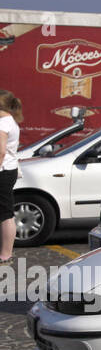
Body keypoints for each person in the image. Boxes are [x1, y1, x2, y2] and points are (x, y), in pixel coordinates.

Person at [0, 90, 21, 262]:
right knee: (5, 211)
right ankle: (5, 252)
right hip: (9, 169)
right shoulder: (10, 121)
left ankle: (6, 254)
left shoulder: (3, 124)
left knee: (5, 212)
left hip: (3, 171)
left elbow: (0, 151)